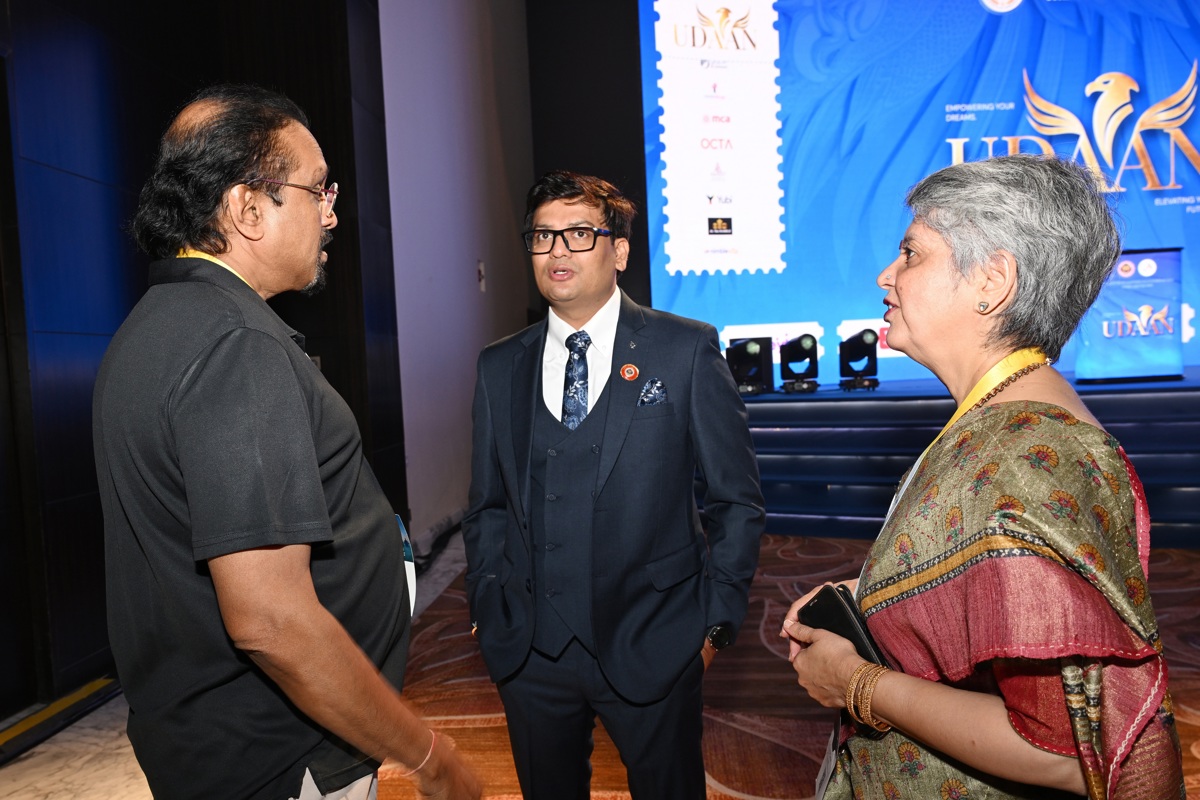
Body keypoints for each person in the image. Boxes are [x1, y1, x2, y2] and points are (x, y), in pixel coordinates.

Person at [93, 85, 479, 800]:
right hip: (283, 753)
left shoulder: (157, 323)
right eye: (317, 189)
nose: (331, 213)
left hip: (217, 744)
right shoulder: (237, 345)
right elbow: (271, 621)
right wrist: (428, 755)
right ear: (248, 208)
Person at [781, 154, 1184, 799]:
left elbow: (1067, 753)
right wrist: (873, 595)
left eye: (911, 254)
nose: (886, 275)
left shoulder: (1026, 457)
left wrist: (856, 684)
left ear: (991, 282)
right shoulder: (1005, 423)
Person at [462, 170, 765, 798]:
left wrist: (715, 624)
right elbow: (487, 506)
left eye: (579, 234)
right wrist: (490, 603)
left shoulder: (684, 350)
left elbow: (735, 499)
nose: (558, 250)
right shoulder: (499, 366)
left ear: (619, 251)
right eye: (542, 236)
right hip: (531, 655)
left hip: (655, 642)